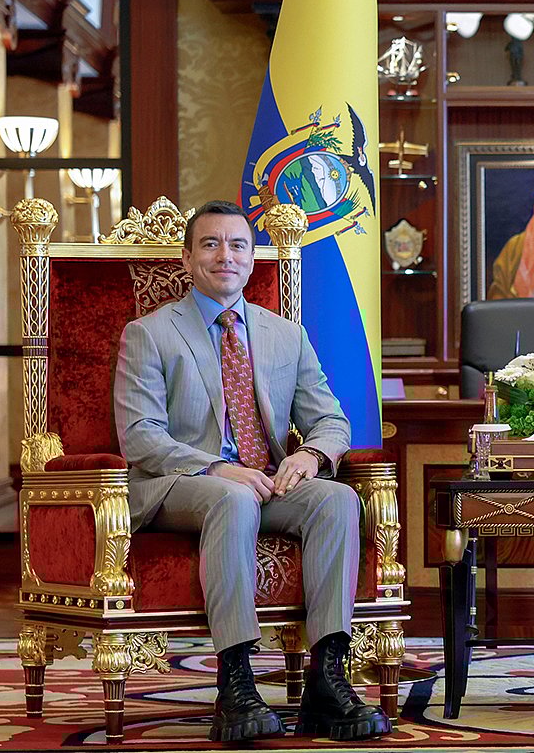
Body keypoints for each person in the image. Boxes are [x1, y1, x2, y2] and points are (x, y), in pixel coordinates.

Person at [114, 200, 391, 743]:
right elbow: (140, 435)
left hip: (267, 481)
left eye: (238, 244)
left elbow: (331, 419)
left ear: (252, 257)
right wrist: (219, 467)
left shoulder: (284, 333)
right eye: (211, 244)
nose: (226, 255)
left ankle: (327, 678)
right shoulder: (149, 333)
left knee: (336, 499)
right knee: (231, 497)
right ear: (188, 259)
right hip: (179, 485)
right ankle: (235, 682)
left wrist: (309, 455)